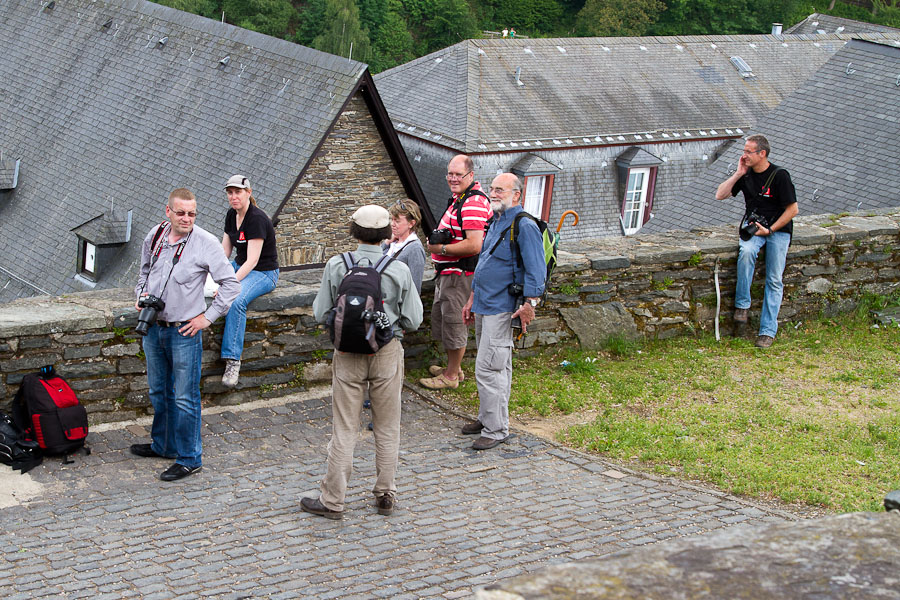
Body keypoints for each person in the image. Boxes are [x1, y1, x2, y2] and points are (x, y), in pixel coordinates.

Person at [302, 205, 423, 520]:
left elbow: (319, 314)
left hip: (347, 355)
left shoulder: (336, 265)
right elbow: (413, 320)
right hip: (386, 352)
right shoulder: (397, 269)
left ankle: (333, 500)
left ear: (354, 231)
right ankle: (385, 493)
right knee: (387, 425)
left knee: (344, 427)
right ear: (385, 233)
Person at [131, 188, 240, 481]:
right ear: (168, 212)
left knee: (184, 397)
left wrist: (208, 317)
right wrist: (141, 295)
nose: (186, 218)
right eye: (181, 213)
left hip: (184, 330)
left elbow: (231, 285)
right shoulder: (154, 235)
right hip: (153, 326)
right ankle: (163, 445)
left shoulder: (205, 243)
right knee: (158, 391)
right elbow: (143, 271)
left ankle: (190, 458)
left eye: (192, 213)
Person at [462, 173, 545, 450]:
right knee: (498, 366)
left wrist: (529, 305)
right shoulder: (496, 221)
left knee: (490, 368)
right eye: (492, 189)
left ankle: (496, 430)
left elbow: (536, 271)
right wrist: (472, 297)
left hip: (503, 308)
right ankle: (488, 417)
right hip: (485, 304)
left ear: (516, 195)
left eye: (500, 190)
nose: (493, 194)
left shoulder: (524, 226)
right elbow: (485, 263)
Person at [715, 134, 798, 348]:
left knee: (774, 278)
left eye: (748, 152)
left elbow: (792, 210)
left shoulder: (780, 176)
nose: (744, 156)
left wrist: (769, 230)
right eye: (743, 151)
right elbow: (720, 195)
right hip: (753, 228)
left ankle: (767, 332)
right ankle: (742, 306)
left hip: (777, 229)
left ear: (762, 153)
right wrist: (738, 173)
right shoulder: (747, 174)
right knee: (747, 254)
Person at [419, 154, 492, 390]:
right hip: (450, 272)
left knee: (454, 322)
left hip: (460, 274)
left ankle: (450, 377)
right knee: (445, 320)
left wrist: (440, 248)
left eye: (458, 174)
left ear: (471, 175)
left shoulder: (472, 203)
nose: (452, 178)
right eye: (450, 174)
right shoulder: (461, 198)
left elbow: (474, 245)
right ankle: (454, 368)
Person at [220, 175, 279, 387]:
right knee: (203, 287)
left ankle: (233, 360)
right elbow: (224, 252)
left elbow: (253, 260)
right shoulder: (231, 215)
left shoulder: (256, 219)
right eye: (230, 192)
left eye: (238, 192)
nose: (234, 197)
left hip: (263, 272)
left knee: (236, 300)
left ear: (248, 193)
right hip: (240, 265)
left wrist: (229, 284)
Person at [383, 199, 426, 293]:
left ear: (411, 223)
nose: (392, 224)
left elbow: (414, 288)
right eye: (392, 219)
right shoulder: (392, 244)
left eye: (397, 221)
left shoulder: (415, 249)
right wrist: (386, 243)